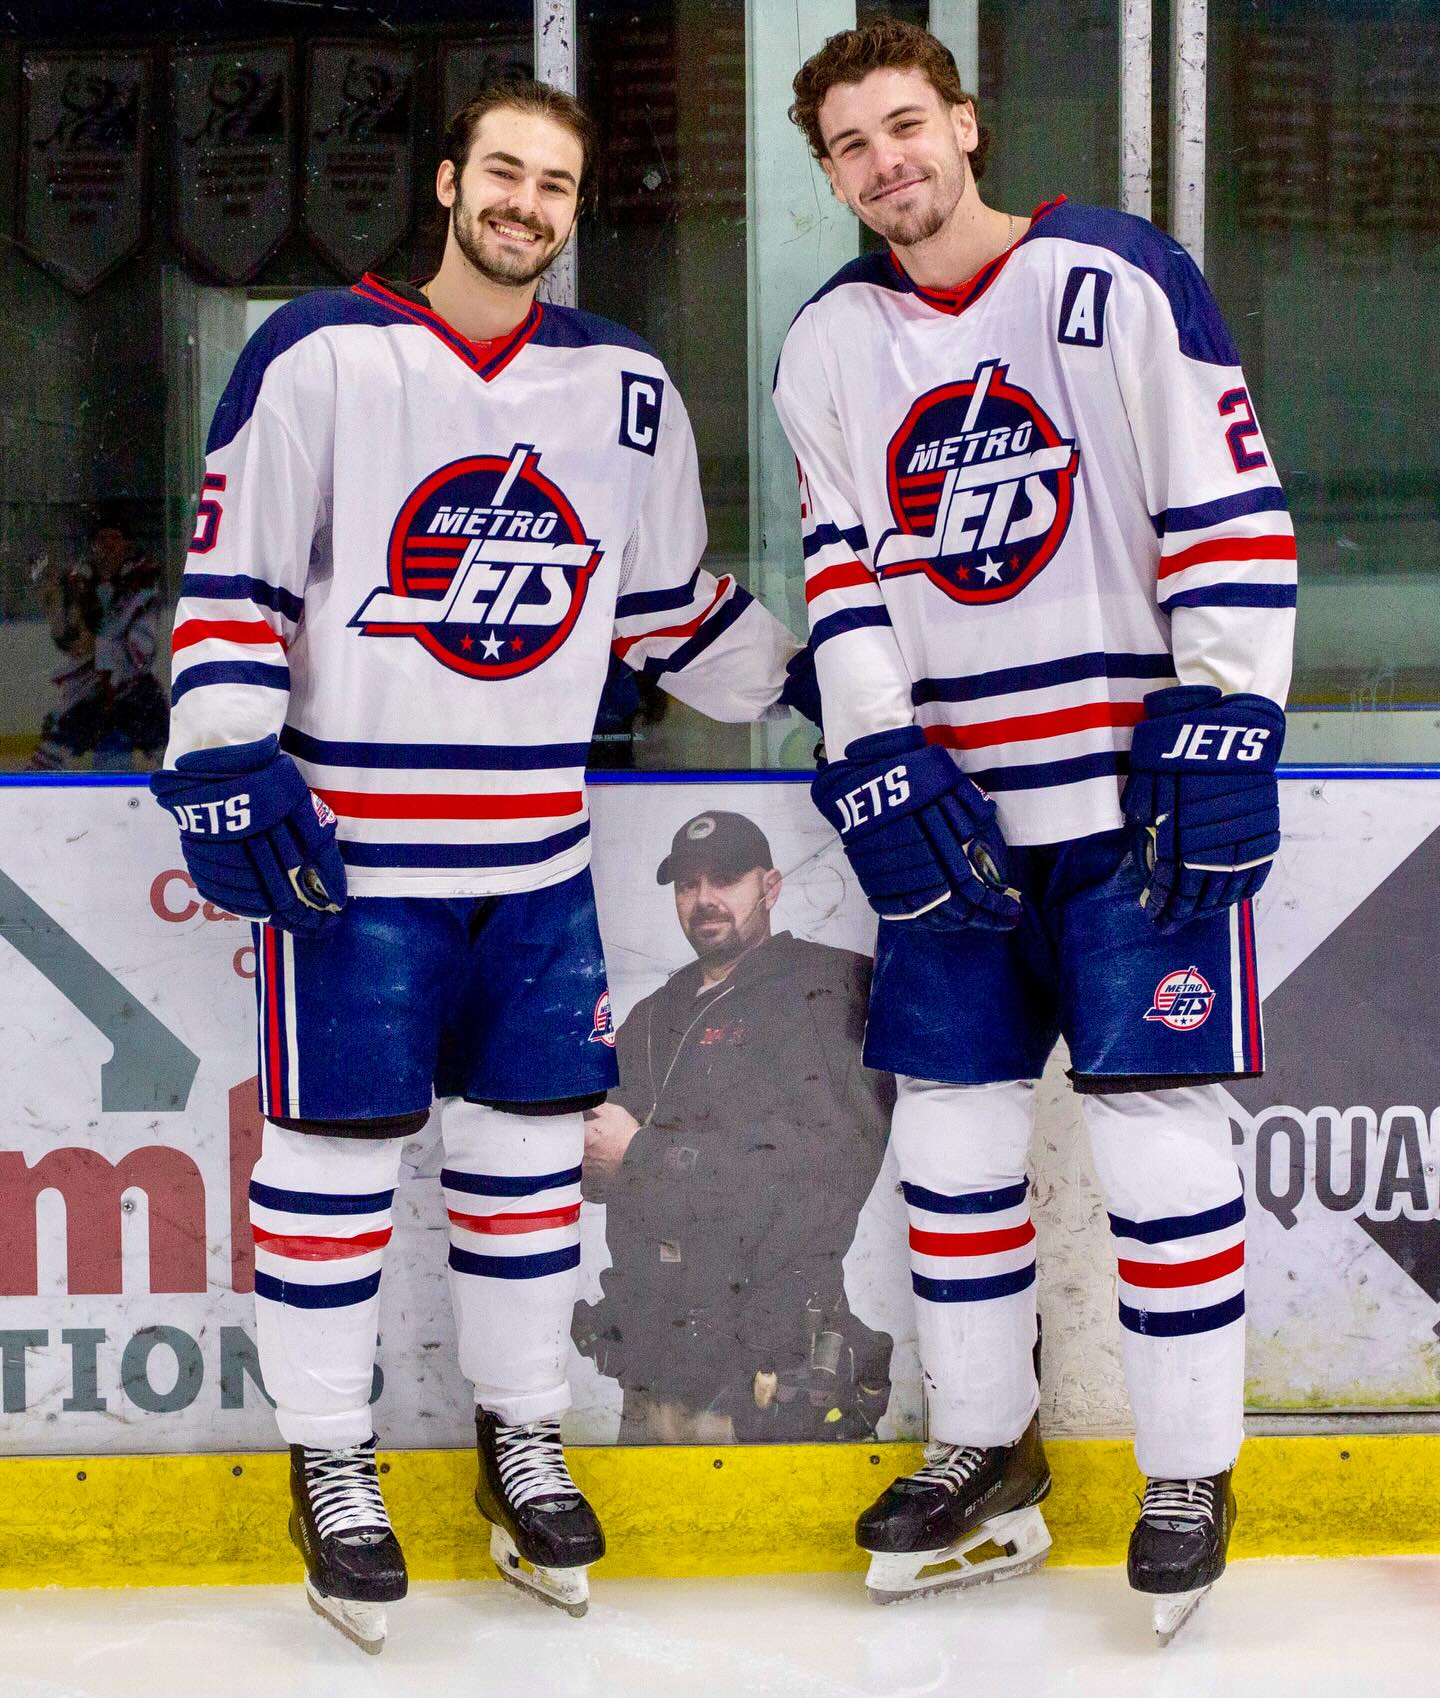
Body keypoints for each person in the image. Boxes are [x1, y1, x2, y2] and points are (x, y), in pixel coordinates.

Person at [150, 80, 809, 1651]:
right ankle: (330, 1459)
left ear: (576, 211)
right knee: (331, 1170)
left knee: (526, 1171)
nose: (525, 201)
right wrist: (224, 756)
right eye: (501, 171)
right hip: (357, 868)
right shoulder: (317, 353)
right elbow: (237, 576)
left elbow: (666, 608)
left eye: (556, 184)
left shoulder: (626, 389)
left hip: (537, 863)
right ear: (449, 181)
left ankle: (522, 1437)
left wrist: (835, 692)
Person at [773, 19, 1294, 1641]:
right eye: (852, 145)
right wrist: (879, 755)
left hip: (1129, 798)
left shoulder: (1116, 276)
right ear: (833, 173)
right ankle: (988, 1447)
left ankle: (1190, 1470)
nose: (887, 163)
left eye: (905, 124)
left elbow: (1223, 507)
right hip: (962, 824)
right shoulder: (829, 345)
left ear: (967, 121)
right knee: (950, 1141)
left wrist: (1225, 715)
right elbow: (844, 577)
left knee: (1155, 1137)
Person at [575, 809, 893, 1443]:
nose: (704, 899)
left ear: (769, 886)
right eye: (687, 885)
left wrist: (638, 1157)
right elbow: (600, 1160)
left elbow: (825, 1171)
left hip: (771, 1369)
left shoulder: (828, 988)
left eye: (725, 878)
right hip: (652, 1362)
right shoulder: (653, 1015)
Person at [31, 512, 166, 770]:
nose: (108, 546)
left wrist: (96, 647)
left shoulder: (143, 587)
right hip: (90, 691)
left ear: (126, 545)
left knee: (161, 744)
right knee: (58, 747)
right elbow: (68, 640)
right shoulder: (79, 585)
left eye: (115, 538)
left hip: (133, 691)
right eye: (102, 539)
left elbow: (142, 652)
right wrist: (58, 614)